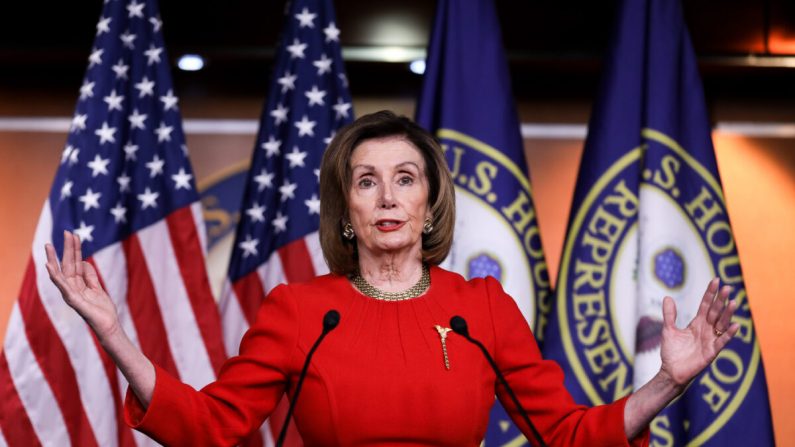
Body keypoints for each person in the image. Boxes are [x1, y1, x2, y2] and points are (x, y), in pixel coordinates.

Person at [45, 110, 739, 446]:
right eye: (366, 181)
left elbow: (566, 432)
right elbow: (208, 425)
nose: (385, 197)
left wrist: (667, 380)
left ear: (429, 201)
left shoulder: (482, 309)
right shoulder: (298, 310)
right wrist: (113, 333)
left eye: (404, 179)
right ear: (345, 208)